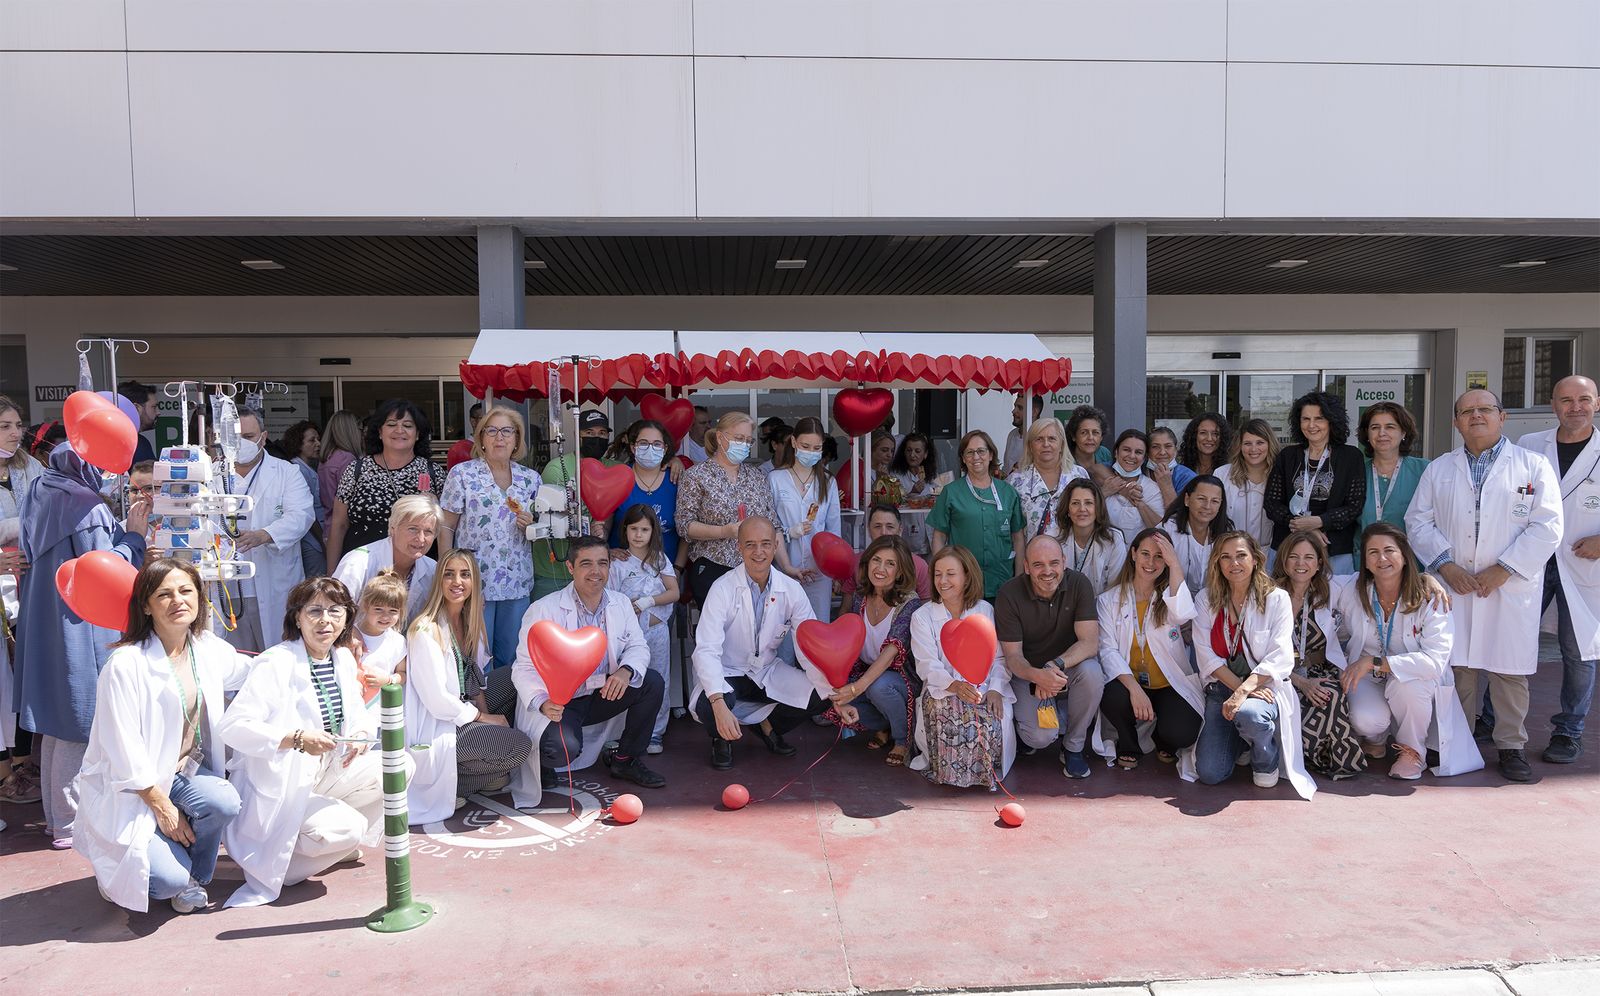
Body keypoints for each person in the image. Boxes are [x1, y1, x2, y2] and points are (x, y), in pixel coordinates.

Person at [74, 559, 248, 913]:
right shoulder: (126, 664)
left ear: (199, 598)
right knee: (163, 880)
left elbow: (251, 671)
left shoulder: (205, 647)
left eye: (186, 591)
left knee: (223, 801)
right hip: (134, 785)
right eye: (164, 594)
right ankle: (136, 873)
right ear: (145, 605)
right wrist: (162, 806)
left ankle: (193, 877)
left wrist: (312, 650)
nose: (178, 601)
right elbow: (122, 747)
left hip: (182, 772)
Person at [1408, 389, 1563, 783]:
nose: (1476, 416)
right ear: (1457, 421)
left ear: (1502, 416)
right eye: (1467, 411)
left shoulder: (1533, 465)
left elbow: (1548, 526)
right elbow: (1418, 522)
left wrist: (1505, 568)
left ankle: (1511, 746)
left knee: (1509, 672)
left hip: (1508, 588)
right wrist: (1445, 564)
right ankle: (1451, 742)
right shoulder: (1440, 469)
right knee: (1457, 667)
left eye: (1485, 409)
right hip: (1454, 584)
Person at [218, 577, 383, 906]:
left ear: (347, 617)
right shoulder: (275, 662)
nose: (326, 620)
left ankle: (322, 841)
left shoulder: (342, 659)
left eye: (336, 611)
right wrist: (293, 739)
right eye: (315, 611)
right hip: (284, 781)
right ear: (297, 617)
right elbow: (232, 726)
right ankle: (284, 866)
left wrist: (363, 736)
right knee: (348, 827)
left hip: (325, 771)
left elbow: (359, 713)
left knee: (397, 766)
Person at [15, 442, 149, 846]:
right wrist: (134, 537)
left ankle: (58, 818)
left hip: (45, 620)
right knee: (80, 722)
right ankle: (70, 823)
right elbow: (105, 571)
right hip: (79, 624)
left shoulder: (42, 490)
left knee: (56, 726)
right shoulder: (85, 507)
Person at [514, 536, 666, 795]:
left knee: (651, 682)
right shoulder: (543, 609)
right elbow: (523, 666)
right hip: (561, 702)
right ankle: (544, 762)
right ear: (571, 568)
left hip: (602, 693)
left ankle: (625, 760)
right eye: (586, 564)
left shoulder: (620, 604)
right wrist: (541, 701)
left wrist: (625, 671)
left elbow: (638, 647)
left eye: (602, 563)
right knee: (560, 752)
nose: (596, 571)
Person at [690, 517, 834, 770]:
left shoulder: (790, 589)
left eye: (766, 544)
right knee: (708, 704)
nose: (759, 552)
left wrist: (833, 690)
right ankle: (720, 738)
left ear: (776, 544)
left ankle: (766, 726)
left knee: (822, 694)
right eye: (750, 545)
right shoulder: (722, 588)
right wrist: (718, 703)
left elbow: (808, 643)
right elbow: (706, 649)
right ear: (739, 547)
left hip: (766, 670)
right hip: (728, 672)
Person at [1336, 523, 1473, 780]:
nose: (1382, 558)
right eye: (1373, 552)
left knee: (1405, 686)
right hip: (1369, 678)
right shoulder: (1352, 589)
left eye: (1390, 550)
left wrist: (1375, 662)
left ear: (1404, 556)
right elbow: (1308, 580)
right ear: (1364, 561)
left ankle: (1412, 751)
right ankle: (1376, 738)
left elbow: (1434, 663)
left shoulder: (1431, 597)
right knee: (1367, 719)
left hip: (1412, 680)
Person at [404, 550, 533, 822]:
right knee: (520, 746)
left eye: (465, 574)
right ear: (439, 581)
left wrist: (488, 719)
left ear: (475, 582)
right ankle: (458, 782)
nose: (456, 582)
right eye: (448, 574)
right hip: (442, 724)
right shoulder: (425, 630)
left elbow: (475, 680)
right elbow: (437, 701)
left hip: (464, 710)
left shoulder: (470, 621)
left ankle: (483, 763)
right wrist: (485, 719)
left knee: (514, 678)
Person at [1192, 532, 1316, 798]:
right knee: (1210, 773)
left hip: (1263, 689)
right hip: (1222, 689)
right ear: (1217, 563)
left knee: (1250, 715)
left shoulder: (1276, 598)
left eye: (1240, 556)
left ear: (1256, 560)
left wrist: (1244, 692)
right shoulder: (1206, 599)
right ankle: (1242, 742)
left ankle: (1264, 758)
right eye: (1225, 557)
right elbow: (1206, 656)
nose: (1233, 563)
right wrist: (1238, 691)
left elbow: (1280, 656)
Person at [1517, 375, 1599, 764]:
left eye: (1584, 399)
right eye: (1566, 400)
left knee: (1578, 649)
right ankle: (1490, 716)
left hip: (1583, 564)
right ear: (1553, 404)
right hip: (1532, 561)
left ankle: (1569, 731)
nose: (1575, 407)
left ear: (1597, 403)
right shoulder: (1530, 446)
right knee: (1511, 638)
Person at [438, 405, 539, 671]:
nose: (499, 437)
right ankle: (478, 712)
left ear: (517, 439)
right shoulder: (462, 475)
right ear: (480, 438)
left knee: (514, 657)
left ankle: (507, 711)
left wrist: (531, 525)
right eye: (491, 431)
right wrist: (446, 573)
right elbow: (446, 527)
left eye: (507, 431)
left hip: (516, 581)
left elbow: (540, 532)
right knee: (475, 657)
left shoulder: (531, 480)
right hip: (473, 581)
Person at [1095, 528, 1203, 772]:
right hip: (1130, 683)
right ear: (1133, 554)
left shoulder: (1169, 596)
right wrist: (1134, 690)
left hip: (1167, 685)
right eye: (1145, 553)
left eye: (1159, 556)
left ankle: (1162, 738)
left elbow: (1184, 613)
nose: (1151, 562)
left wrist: (1175, 565)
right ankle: (1128, 745)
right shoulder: (1108, 600)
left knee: (1184, 734)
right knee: (1111, 692)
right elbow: (1108, 651)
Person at [996, 535, 1102, 778]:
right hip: (1027, 673)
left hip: (1064, 667)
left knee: (1093, 673)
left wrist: (1052, 667)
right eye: (1038, 565)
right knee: (1040, 737)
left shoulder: (1079, 584)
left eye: (1054, 563)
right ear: (1026, 567)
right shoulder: (1009, 593)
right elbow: (1013, 657)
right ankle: (1032, 728)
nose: (1047, 571)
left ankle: (1073, 746)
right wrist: (1038, 676)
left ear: (1064, 562)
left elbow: (1089, 643)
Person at [909, 545, 1015, 789]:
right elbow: (927, 664)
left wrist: (996, 689)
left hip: (984, 687)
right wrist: (954, 685)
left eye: (951, 574)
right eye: (937, 574)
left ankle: (983, 774)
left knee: (991, 716)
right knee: (953, 718)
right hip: (942, 688)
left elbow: (999, 659)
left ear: (967, 577)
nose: (942, 581)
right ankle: (950, 773)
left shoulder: (984, 611)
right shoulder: (923, 616)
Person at [216, 407, 313, 654]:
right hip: (226, 585)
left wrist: (265, 534)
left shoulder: (286, 472)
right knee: (231, 662)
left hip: (271, 581)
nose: (241, 443)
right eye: (234, 437)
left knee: (275, 657)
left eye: (248, 437)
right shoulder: (211, 474)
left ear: (263, 436)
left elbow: (302, 516)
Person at [1272, 530, 1365, 780]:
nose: (1301, 564)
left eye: (1308, 557)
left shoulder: (1330, 588)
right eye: (1293, 557)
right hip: (1280, 673)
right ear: (1283, 560)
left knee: (1331, 693)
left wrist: (1425, 580)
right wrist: (1301, 683)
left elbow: (1374, 575)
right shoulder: (1268, 593)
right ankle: (1304, 756)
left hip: (1319, 669)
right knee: (1298, 701)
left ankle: (1329, 759)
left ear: (1319, 563)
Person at [830, 536, 923, 766]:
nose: (881, 569)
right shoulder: (861, 597)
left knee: (878, 687)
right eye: (876, 560)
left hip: (901, 680)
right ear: (867, 563)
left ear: (900, 572)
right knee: (836, 700)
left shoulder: (909, 603)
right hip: (867, 674)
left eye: (890, 564)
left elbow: (891, 652)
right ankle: (886, 725)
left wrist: (856, 687)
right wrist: (841, 691)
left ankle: (903, 740)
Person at [327, 399, 443, 567]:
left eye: (408, 425)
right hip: (361, 567)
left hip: (416, 569)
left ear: (418, 434)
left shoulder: (434, 473)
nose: (399, 430)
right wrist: (332, 572)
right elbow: (339, 524)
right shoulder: (356, 470)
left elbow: (444, 529)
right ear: (380, 431)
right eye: (391, 424)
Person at [677, 411, 775, 605]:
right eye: (739, 438)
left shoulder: (757, 477)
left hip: (754, 565)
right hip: (713, 566)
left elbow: (772, 524)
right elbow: (684, 525)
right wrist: (724, 531)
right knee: (716, 631)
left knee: (753, 630)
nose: (744, 444)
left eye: (748, 440)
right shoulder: (696, 475)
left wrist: (786, 567)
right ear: (720, 437)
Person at [1265, 391, 1367, 573]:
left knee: (1331, 600)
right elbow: (1271, 502)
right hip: (1288, 546)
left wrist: (1319, 521)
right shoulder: (1287, 456)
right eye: (1305, 419)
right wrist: (1300, 525)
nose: (1311, 425)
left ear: (1331, 421)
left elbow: (1354, 506)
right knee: (1286, 599)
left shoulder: (1350, 457)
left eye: (1319, 419)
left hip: (1333, 550)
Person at [0, 395, 45, 808]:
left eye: (18, 425)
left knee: (23, 676)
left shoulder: (29, 467)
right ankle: (6, 771)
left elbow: (46, 509)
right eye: (6, 426)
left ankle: (25, 765)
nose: (16, 433)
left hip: (27, 585)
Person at [608, 505, 679, 754]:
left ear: (653, 532)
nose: (639, 534)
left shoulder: (660, 559)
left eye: (645, 529)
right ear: (625, 530)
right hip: (627, 636)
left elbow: (673, 592)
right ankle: (624, 733)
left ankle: (655, 733)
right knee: (629, 680)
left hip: (656, 632)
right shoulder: (617, 563)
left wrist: (649, 601)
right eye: (634, 529)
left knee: (659, 678)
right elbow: (610, 598)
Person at [529, 408, 614, 602]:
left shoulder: (613, 468)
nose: (596, 438)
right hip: (554, 571)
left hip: (592, 572)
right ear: (578, 435)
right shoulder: (557, 468)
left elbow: (611, 511)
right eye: (589, 433)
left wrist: (603, 529)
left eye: (602, 433)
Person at [929, 429, 1025, 599]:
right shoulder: (951, 492)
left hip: (1001, 581)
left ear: (990, 455)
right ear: (963, 459)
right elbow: (939, 537)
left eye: (981, 451)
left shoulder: (1008, 492)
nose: (976, 457)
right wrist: (941, 574)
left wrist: (1019, 579)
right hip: (963, 583)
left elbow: (1018, 538)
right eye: (969, 452)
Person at [770, 416, 842, 620]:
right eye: (805, 446)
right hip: (784, 567)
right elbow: (768, 527)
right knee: (782, 632)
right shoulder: (775, 479)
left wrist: (835, 570)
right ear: (793, 442)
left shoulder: (828, 482)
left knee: (817, 627)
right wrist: (789, 533)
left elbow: (834, 530)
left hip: (818, 570)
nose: (810, 452)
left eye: (816, 448)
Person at [332, 493, 440, 624]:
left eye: (428, 532)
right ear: (393, 527)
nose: (421, 539)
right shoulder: (357, 562)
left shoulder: (432, 569)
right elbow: (335, 611)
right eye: (413, 529)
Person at [607, 419, 681, 566]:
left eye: (656, 444)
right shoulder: (617, 478)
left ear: (665, 449)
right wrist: (605, 550)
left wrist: (678, 569)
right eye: (644, 443)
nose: (650, 448)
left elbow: (686, 530)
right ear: (633, 448)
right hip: (622, 571)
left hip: (667, 571)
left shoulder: (676, 479)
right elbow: (603, 524)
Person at [1008, 416, 1088, 540]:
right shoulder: (1015, 481)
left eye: (1052, 439)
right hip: (1031, 557)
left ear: (1061, 444)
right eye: (1039, 439)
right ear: (1030, 446)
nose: (1046, 444)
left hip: (1072, 557)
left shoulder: (1079, 475)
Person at [1357, 401, 1430, 532]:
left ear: (1403, 433)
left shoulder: (1425, 470)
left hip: (1411, 551)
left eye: (1390, 427)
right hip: (1363, 551)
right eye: (1375, 427)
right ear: (1367, 434)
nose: (1381, 433)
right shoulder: (1356, 472)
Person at [840, 503, 933, 601]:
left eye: (890, 526)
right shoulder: (856, 562)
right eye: (877, 526)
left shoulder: (919, 565)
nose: (883, 532)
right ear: (868, 529)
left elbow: (927, 607)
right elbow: (846, 609)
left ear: (900, 529)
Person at [1054, 479, 1127, 595]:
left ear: (1098, 508)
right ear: (1067, 510)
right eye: (1075, 503)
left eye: (1088, 503)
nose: (1082, 509)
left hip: (1101, 609)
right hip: (1061, 606)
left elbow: (1114, 588)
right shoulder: (1053, 538)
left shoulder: (1114, 540)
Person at [1162, 474, 1232, 595]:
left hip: (1212, 603)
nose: (1207, 506)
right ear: (1187, 500)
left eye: (1214, 501)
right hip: (1172, 601)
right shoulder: (1168, 530)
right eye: (1201, 499)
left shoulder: (1226, 533)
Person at [351, 569, 409, 706]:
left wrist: (389, 679)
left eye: (393, 611)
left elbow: (403, 673)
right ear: (366, 606)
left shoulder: (398, 641)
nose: (385, 616)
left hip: (383, 709)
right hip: (352, 706)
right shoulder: (351, 635)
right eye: (378, 609)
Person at [1223, 418, 1278, 555]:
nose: (1254, 449)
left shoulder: (1280, 476)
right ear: (1240, 446)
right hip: (1232, 555)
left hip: (1270, 555)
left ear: (1270, 444)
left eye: (1260, 442)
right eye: (1247, 443)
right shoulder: (1222, 474)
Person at [281, 419, 327, 578]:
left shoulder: (308, 467)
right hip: (312, 539)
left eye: (318, 439)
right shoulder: (298, 470)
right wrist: (322, 540)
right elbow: (307, 510)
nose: (318, 444)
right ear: (298, 444)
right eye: (311, 440)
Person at [1102, 429, 1164, 542]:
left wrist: (1139, 503)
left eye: (1138, 452)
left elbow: (1160, 530)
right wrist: (1104, 493)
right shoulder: (1101, 482)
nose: (1132, 456)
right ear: (1116, 452)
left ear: (1144, 458)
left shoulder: (1152, 489)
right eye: (1126, 450)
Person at [317, 410, 362, 531]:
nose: (360, 433)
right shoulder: (347, 459)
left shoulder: (326, 458)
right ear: (351, 431)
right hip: (344, 527)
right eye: (358, 429)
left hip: (329, 523)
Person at [838, 429, 900, 509]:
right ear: (871, 449)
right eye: (884, 450)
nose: (889, 455)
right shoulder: (857, 468)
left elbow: (894, 501)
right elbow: (864, 502)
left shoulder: (888, 471)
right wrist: (879, 481)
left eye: (892, 451)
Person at [1146, 426, 1195, 509]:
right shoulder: (1140, 472)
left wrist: (1166, 485)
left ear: (1175, 450)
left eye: (1168, 446)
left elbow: (1179, 515)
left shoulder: (1188, 477)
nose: (1162, 452)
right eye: (1155, 447)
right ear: (1147, 451)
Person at [889, 431, 942, 503]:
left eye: (917, 451)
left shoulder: (934, 475)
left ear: (925, 454)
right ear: (904, 452)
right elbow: (892, 502)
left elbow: (940, 500)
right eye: (909, 450)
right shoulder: (895, 475)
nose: (912, 455)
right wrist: (912, 493)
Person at [1179, 412, 1233, 480]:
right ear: (1194, 436)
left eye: (1215, 434)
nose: (1209, 439)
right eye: (1203, 433)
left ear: (1222, 437)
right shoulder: (1182, 468)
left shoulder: (1230, 470)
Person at [116, 381, 159, 465]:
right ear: (136, 408)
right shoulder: (135, 444)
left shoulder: (141, 441)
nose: (158, 412)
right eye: (154, 407)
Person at [1002, 394, 1045, 475]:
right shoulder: (1012, 435)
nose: (1014, 411)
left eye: (1020, 408)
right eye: (1015, 406)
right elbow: (1006, 469)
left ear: (1034, 412)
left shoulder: (1043, 438)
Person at [1065, 405, 1113, 473]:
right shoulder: (1065, 459)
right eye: (1084, 432)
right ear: (1073, 436)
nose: (1090, 437)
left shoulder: (1104, 454)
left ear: (1101, 437)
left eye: (1095, 432)